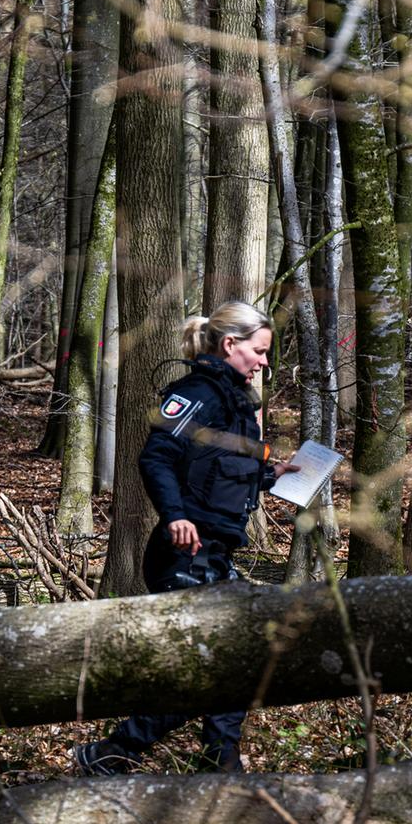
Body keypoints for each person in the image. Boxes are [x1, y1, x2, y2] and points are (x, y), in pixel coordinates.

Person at [73, 302, 297, 776]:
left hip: (216, 554)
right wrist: (175, 516)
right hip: (183, 554)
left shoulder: (237, 404)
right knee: (211, 669)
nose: (264, 362)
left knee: (238, 659)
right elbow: (156, 456)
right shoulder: (195, 393)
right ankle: (114, 753)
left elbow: (218, 473)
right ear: (230, 344)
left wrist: (270, 475)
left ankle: (218, 763)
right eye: (259, 351)